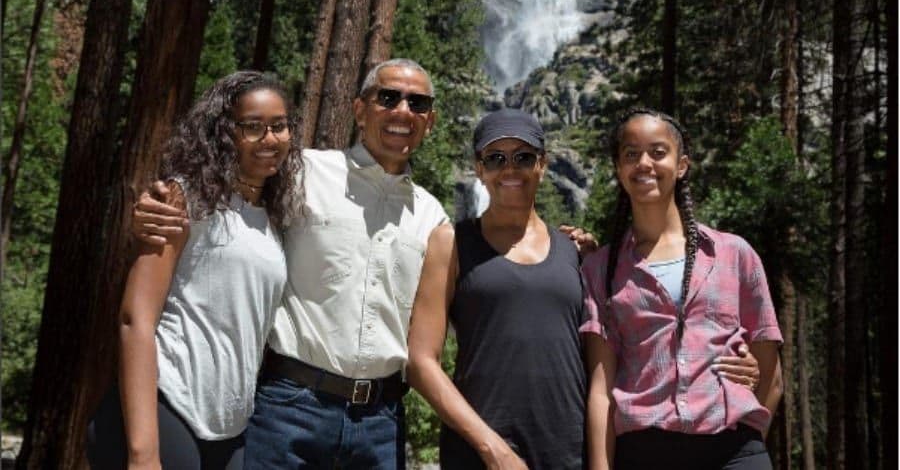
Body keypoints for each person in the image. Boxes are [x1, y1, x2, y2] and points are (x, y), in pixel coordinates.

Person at [130, 58, 448, 469]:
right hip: (289, 407)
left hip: (380, 422)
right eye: (388, 97)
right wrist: (151, 206)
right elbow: (217, 186)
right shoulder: (300, 172)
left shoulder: (433, 217)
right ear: (359, 110)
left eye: (417, 103)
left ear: (430, 120)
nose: (403, 111)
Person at [405, 110, 762, 470]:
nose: (510, 169)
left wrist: (731, 362)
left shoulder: (579, 254)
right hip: (480, 453)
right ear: (479, 168)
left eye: (523, 157)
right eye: (495, 158)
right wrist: (492, 448)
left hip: (568, 451)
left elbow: (623, 349)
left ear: (542, 165)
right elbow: (421, 362)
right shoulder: (451, 242)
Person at [86, 71, 302, 469]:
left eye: (279, 125)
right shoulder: (184, 199)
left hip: (229, 430)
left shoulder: (273, 219)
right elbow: (136, 320)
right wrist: (143, 453)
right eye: (252, 127)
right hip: (165, 406)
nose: (270, 139)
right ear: (224, 133)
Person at [581, 108, 783, 470]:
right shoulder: (601, 269)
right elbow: (601, 390)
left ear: (682, 165)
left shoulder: (734, 254)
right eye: (631, 154)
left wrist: (748, 447)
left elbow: (770, 373)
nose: (644, 163)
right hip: (644, 454)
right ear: (618, 169)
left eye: (658, 152)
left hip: (733, 450)